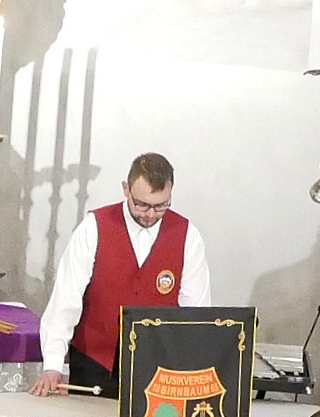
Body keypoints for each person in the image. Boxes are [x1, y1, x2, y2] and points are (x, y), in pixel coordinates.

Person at [33, 153, 212, 398]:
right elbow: (65, 300)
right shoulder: (94, 227)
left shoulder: (187, 236)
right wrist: (52, 365)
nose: (150, 214)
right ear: (126, 189)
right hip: (94, 362)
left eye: (161, 205)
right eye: (142, 204)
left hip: (159, 368)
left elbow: (195, 314)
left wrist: (190, 371)